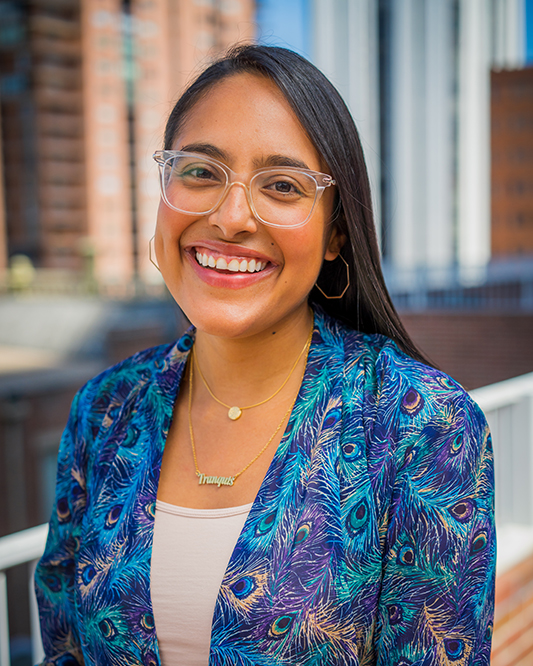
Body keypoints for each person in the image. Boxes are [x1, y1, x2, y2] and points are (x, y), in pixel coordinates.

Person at [35, 45, 495, 666]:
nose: (230, 218)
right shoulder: (105, 409)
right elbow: (64, 646)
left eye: (282, 186)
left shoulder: (422, 425)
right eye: (199, 172)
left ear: (337, 231)